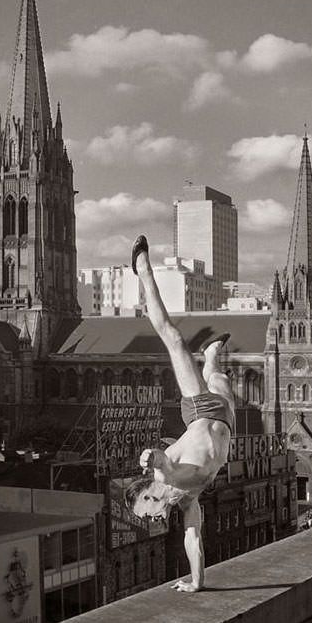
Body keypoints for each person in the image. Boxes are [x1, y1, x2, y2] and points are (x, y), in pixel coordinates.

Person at [124, 235, 236, 593]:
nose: (155, 517)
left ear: (150, 490)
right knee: (216, 374)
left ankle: (142, 270)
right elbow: (194, 543)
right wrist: (196, 583)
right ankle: (213, 353)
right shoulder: (188, 504)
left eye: (148, 508)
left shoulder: (165, 475)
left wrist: (149, 456)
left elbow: (160, 460)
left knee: (171, 338)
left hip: (200, 411)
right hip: (226, 421)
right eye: (153, 518)